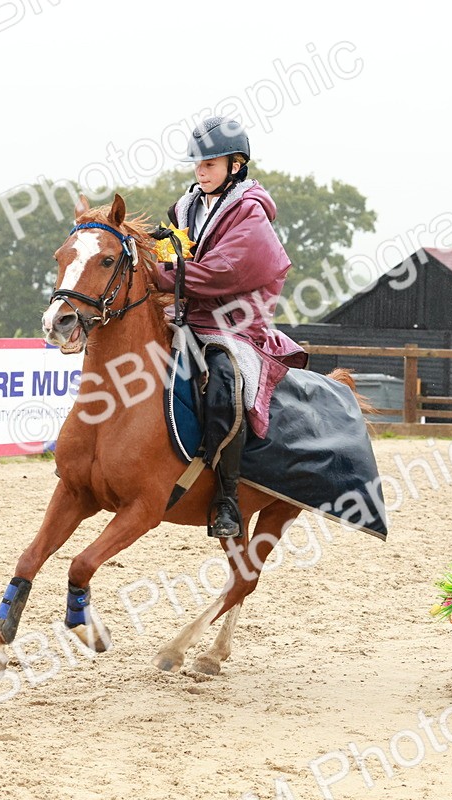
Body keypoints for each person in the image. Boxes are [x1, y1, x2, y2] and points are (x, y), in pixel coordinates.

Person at [153, 116, 307, 538]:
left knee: (223, 383)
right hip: (187, 313)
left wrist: (161, 273)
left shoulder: (251, 215)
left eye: (209, 165)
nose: (200, 172)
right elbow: (175, 252)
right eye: (197, 165)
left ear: (236, 165)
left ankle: (227, 498)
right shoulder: (186, 206)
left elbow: (220, 273)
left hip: (235, 324)